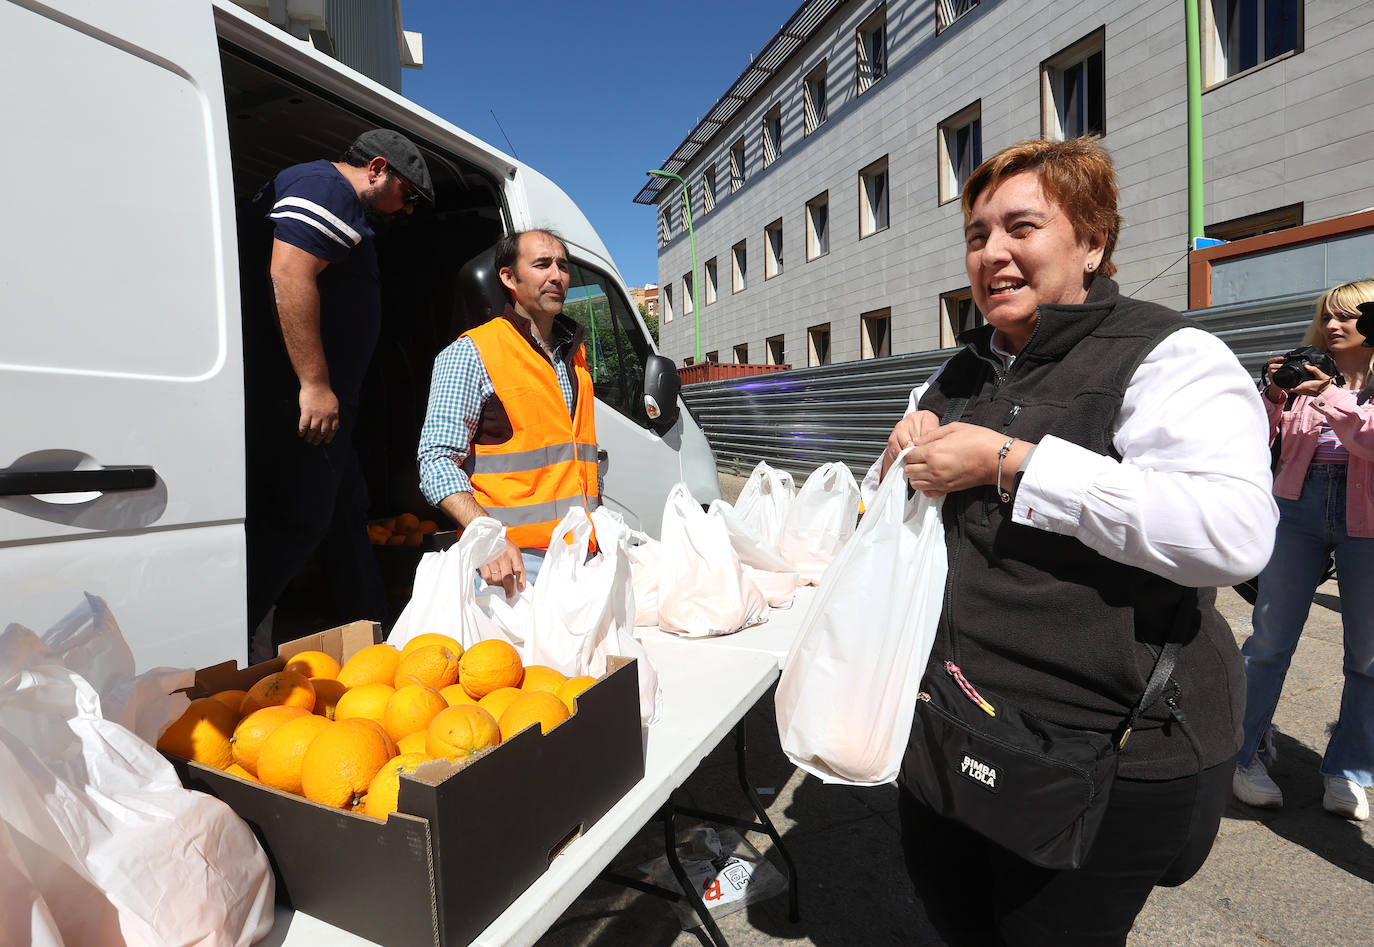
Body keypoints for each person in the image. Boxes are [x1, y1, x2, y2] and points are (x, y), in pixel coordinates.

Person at [862, 138, 1278, 945]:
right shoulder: (955, 375)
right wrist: (893, 458)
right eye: (978, 235)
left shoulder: (1168, 355)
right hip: (956, 722)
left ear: (1092, 240)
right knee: (958, 919)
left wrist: (1008, 462)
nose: (993, 252)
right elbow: (884, 528)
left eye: (1022, 226)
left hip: (1106, 751)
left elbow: (1233, 534)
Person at [243, 128, 434, 652]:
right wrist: (315, 382)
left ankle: (372, 637)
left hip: (324, 407)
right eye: (408, 194)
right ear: (376, 169)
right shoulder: (327, 187)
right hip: (300, 400)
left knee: (342, 514)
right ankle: (230, 641)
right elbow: (289, 271)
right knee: (294, 523)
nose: (408, 208)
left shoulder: (330, 193)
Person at [1232, 280, 1374, 821]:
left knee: (1367, 654)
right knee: (1269, 639)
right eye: (1328, 316)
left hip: (1368, 516)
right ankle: (1244, 755)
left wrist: (1328, 396)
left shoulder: (1336, 386)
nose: (1335, 326)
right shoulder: (1303, 373)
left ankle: (1347, 768)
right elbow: (1254, 440)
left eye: (1349, 317)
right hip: (1296, 508)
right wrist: (1271, 396)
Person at [416, 229, 599, 593]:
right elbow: (434, 460)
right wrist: (488, 539)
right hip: (512, 567)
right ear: (508, 278)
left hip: (581, 558)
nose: (556, 276)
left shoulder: (574, 356)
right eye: (542, 265)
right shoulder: (471, 353)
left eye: (562, 266)